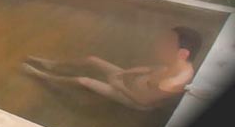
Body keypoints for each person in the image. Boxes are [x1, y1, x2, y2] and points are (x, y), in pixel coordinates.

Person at [22, 26, 202, 110]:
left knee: (83, 81)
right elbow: (149, 69)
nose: (160, 45)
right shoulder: (177, 63)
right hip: (131, 81)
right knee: (92, 59)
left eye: (167, 43)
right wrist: (125, 72)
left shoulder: (173, 82)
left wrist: (118, 85)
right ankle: (53, 64)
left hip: (131, 97)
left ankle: (43, 76)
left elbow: (143, 101)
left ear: (183, 53)